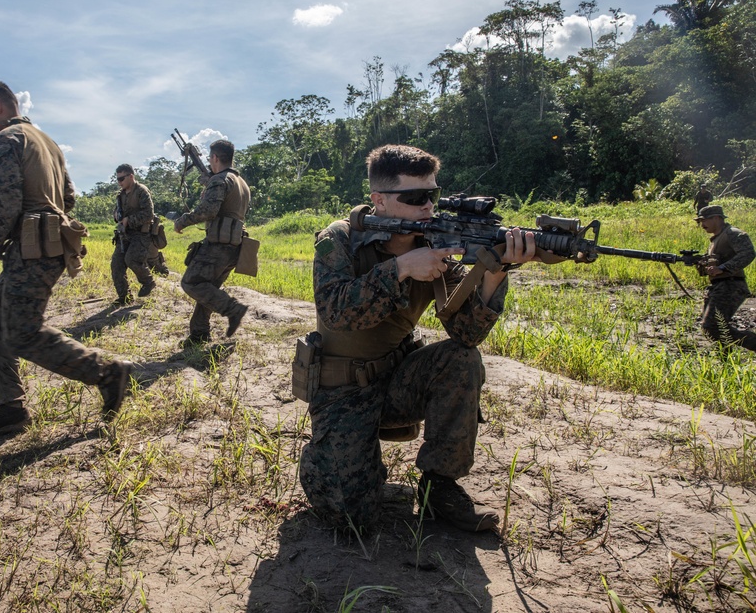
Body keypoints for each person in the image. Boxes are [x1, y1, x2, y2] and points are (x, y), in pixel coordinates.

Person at [299, 144, 538, 533]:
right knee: (349, 517)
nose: (428, 205)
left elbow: (467, 333)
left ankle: (440, 486)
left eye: (433, 195)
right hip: (341, 389)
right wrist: (401, 269)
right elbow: (336, 312)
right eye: (414, 197)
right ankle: (324, 457)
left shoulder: (435, 245)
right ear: (379, 200)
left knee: (461, 358)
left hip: (398, 381)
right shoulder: (340, 238)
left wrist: (495, 272)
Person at [0, 81, 132, 438]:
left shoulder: (5, 141)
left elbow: (4, 206)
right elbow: (68, 198)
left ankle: (106, 372)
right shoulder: (47, 142)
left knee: (22, 331)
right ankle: (11, 408)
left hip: (32, 249)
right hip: (41, 245)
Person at [173, 139, 250, 346]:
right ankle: (199, 335)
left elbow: (208, 211)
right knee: (208, 288)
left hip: (218, 246)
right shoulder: (241, 182)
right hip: (234, 246)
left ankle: (232, 309)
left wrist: (182, 221)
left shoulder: (221, 180)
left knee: (191, 282)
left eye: (210, 157)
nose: (208, 160)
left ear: (215, 157)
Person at [695, 205, 756, 352]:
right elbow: (712, 268)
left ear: (717, 218)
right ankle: (726, 362)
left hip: (731, 286)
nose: (701, 224)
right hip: (718, 287)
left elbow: (748, 253)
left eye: (704, 220)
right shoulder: (715, 240)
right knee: (711, 327)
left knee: (712, 326)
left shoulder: (733, 234)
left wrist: (722, 268)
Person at [111, 164, 160, 305]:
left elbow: (148, 214)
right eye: (118, 179)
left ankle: (148, 282)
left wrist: (129, 220)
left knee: (132, 260)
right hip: (124, 235)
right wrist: (117, 216)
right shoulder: (120, 196)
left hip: (140, 234)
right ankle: (124, 297)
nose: (119, 182)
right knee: (116, 265)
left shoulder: (141, 191)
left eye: (121, 179)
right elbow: (117, 214)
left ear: (131, 176)